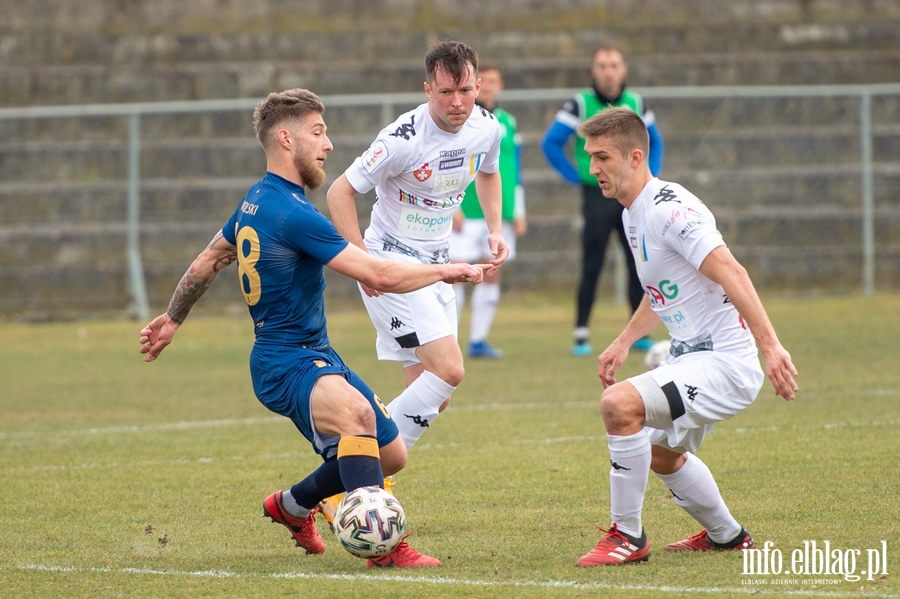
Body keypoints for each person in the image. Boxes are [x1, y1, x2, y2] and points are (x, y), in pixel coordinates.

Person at [138, 88, 486, 568]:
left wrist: (172, 319)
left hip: (314, 353)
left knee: (392, 455)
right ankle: (385, 547)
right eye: (318, 133)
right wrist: (447, 271)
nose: (329, 144)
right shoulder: (296, 215)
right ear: (286, 139)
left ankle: (292, 506)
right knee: (357, 421)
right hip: (286, 361)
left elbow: (210, 258)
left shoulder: (256, 201)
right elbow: (378, 274)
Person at [573, 108, 798, 567]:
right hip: (687, 357)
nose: (593, 168)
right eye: (590, 157)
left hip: (724, 364)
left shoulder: (671, 211)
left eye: (602, 157)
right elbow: (663, 290)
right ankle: (728, 536)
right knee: (658, 453)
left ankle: (628, 537)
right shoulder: (632, 213)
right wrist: (622, 340)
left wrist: (771, 346)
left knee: (619, 406)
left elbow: (732, 272)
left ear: (635, 157)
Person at [326, 40, 509, 453]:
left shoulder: (487, 127)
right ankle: (351, 471)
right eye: (445, 92)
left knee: (434, 394)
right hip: (391, 263)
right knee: (449, 370)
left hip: (436, 264)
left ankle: (362, 475)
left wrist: (494, 229)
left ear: (478, 86)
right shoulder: (401, 139)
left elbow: (489, 173)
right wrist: (362, 262)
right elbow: (339, 192)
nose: (456, 102)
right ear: (428, 90)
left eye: (465, 91)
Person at [541, 42, 664, 357]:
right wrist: (576, 176)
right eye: (602, 66)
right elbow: (551, 142)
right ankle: (581, 333)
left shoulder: (635, 102)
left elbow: (656, 141)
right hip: (596, 196)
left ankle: (639, 334)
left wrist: (651, 177)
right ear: (593, 70)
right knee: (592, 264)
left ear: (623, 69)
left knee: (640, 262)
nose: (608, 72)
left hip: (632, 196)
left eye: (614, 65)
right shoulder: (580, 104)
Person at [449, 61, 526, 359]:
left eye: (496, 81)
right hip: (465, 210)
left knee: (490, 273)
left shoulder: (508, 122)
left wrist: (518, 209)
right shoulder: (461, 119)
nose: (491, 86)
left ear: (500, 86)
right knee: (455, 273)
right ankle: (449, 341)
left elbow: (514, 168)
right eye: (486, 81)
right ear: (478, 85)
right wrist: (452, 206)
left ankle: (478, 340)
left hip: (499, 212)